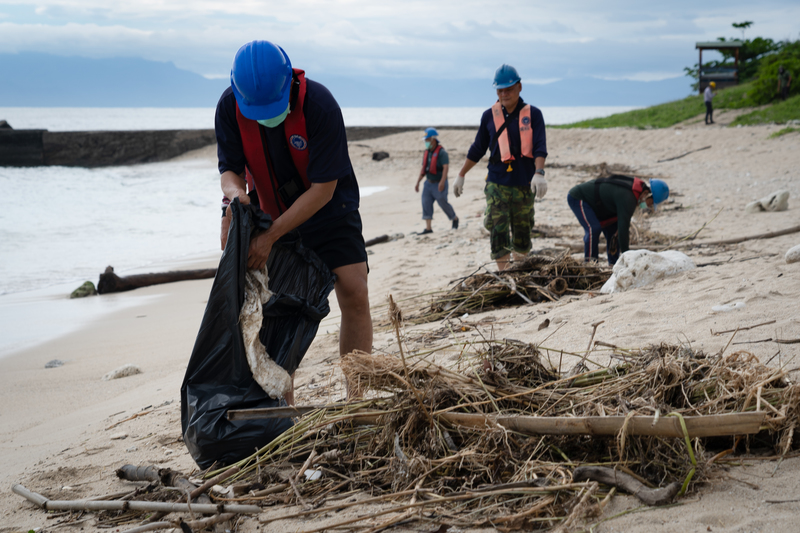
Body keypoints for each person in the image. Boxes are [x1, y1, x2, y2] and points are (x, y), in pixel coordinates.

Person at [214, 40, 372, 401]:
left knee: (354, 292)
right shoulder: (229, 107)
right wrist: (236, 202)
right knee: (276, 311)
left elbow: (323, 189)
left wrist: (270, 239)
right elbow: (230, 172)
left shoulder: (319, 104)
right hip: (270, 212)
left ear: (289, 82)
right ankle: (283, 409)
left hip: (330, 209)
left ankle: (356, 397)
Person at [454, 64, 548, 270]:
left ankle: (520, 271)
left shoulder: (534, 114)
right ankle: (506, 274)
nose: (504, 93)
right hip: (497, 183)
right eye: (500, 90)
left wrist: (539, 173)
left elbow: (540, 146)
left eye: (509, 89)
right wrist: (461, 174)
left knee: (523, 230)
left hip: (525, 184)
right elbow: (478, 148)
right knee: (498, 229)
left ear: (519, 87)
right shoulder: (489, 116)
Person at [567, 175, 669, 265]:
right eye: (651, 202)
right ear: (646, 193)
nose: (649, 206)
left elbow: (619, 229)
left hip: (602, 206)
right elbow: (624, 230)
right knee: (593, 229)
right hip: (580, 198)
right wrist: (628, 258)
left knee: (613, 231)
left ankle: (613, 264)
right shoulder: (629, 198)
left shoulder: (634, 192)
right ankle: (590, 264)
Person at [414, 127, 458, 234]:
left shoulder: (442, 153)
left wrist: (442, 182)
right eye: (425, 140)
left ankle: (454, 218)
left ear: (433, 139)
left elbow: (445, 167)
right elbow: (423, 169)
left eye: (427, 140)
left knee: (443, 202)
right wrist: (418, 182)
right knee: (426, 203)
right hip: (428, 183)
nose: (426, 142)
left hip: (439, 183)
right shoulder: (427, 152)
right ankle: (428, 228)